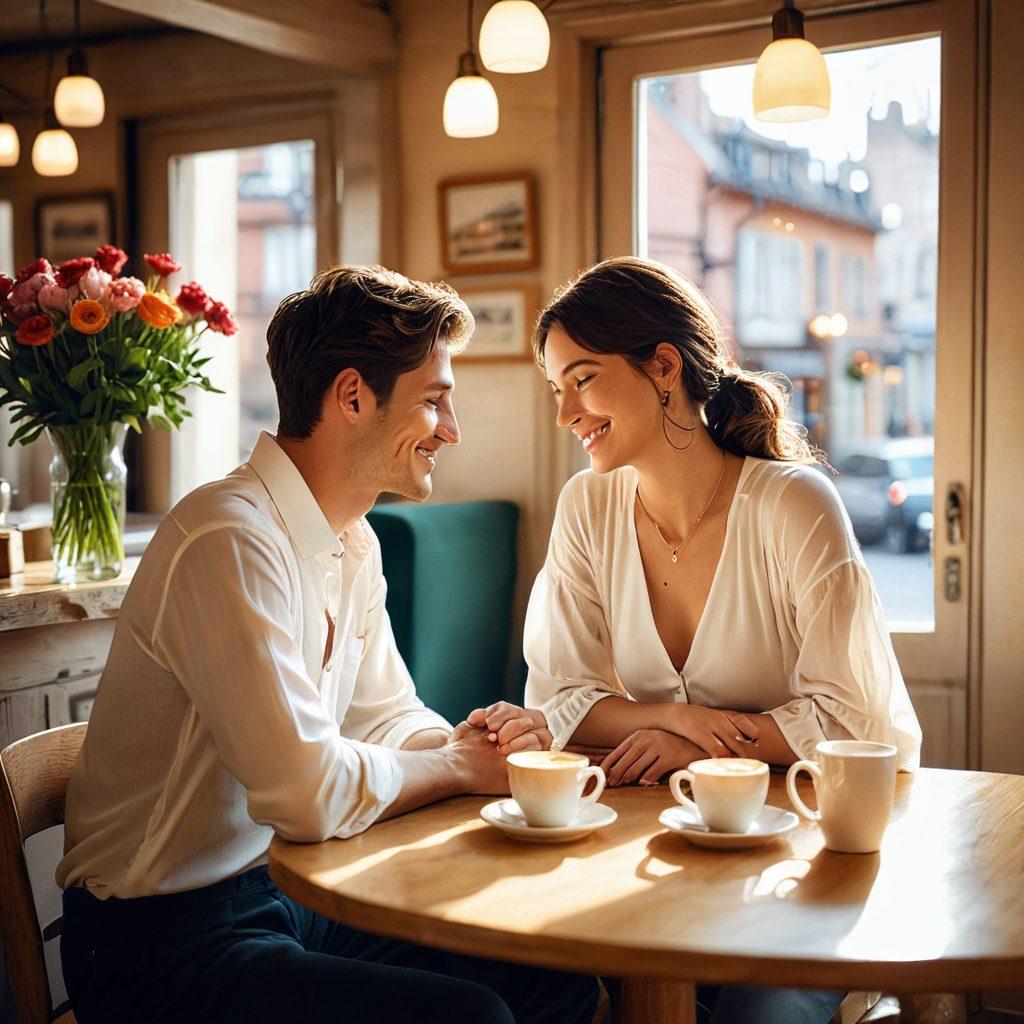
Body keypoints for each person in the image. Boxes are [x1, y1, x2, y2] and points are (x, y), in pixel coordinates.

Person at [57, 265, 599, 1024]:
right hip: (158, 943)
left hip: (282, 891)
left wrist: (472, 742)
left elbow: (386, 714)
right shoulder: (230, 538)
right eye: (435, 401)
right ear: (352, 396)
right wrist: (452, 767)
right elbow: (308, 795)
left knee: (557, 976)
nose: (452, 429)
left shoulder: (355, 539)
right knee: (468, 1018)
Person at [469, 256, 921, 1024]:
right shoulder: (587, 507)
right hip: (650, 852)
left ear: (664, 366)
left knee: (757, 1015)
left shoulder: (792, 504)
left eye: (581, 379)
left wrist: (713, 749)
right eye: (557, 389)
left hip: (805, 865)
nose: (565, 413)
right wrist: (673, 724)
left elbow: (860, 723)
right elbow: (559, 697)